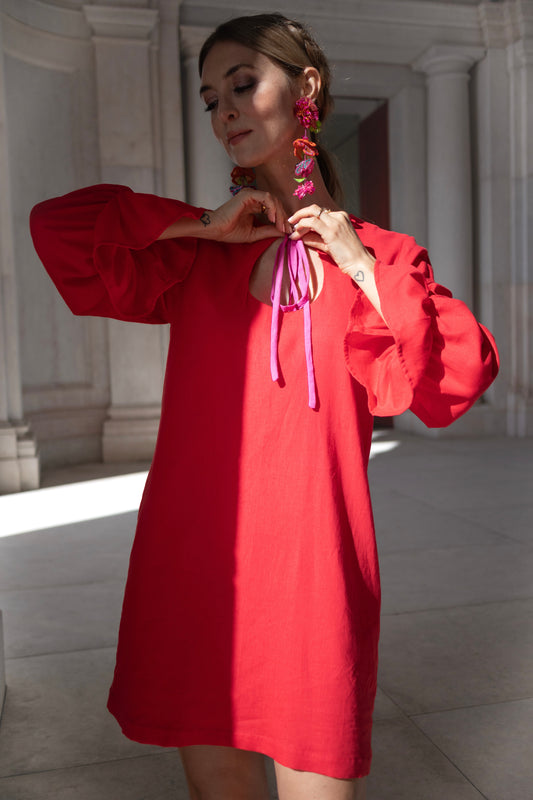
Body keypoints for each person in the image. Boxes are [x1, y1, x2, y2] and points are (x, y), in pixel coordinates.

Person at [29, 12, 499, 800]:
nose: (225, 113)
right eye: (212, 99)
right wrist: (199, 226)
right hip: (196, 557)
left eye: (244, 84)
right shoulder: (196, 252)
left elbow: (458, 373)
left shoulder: (382, 257)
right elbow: (59, 229)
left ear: (305, 89)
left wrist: (356, 264)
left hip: (312, 568)